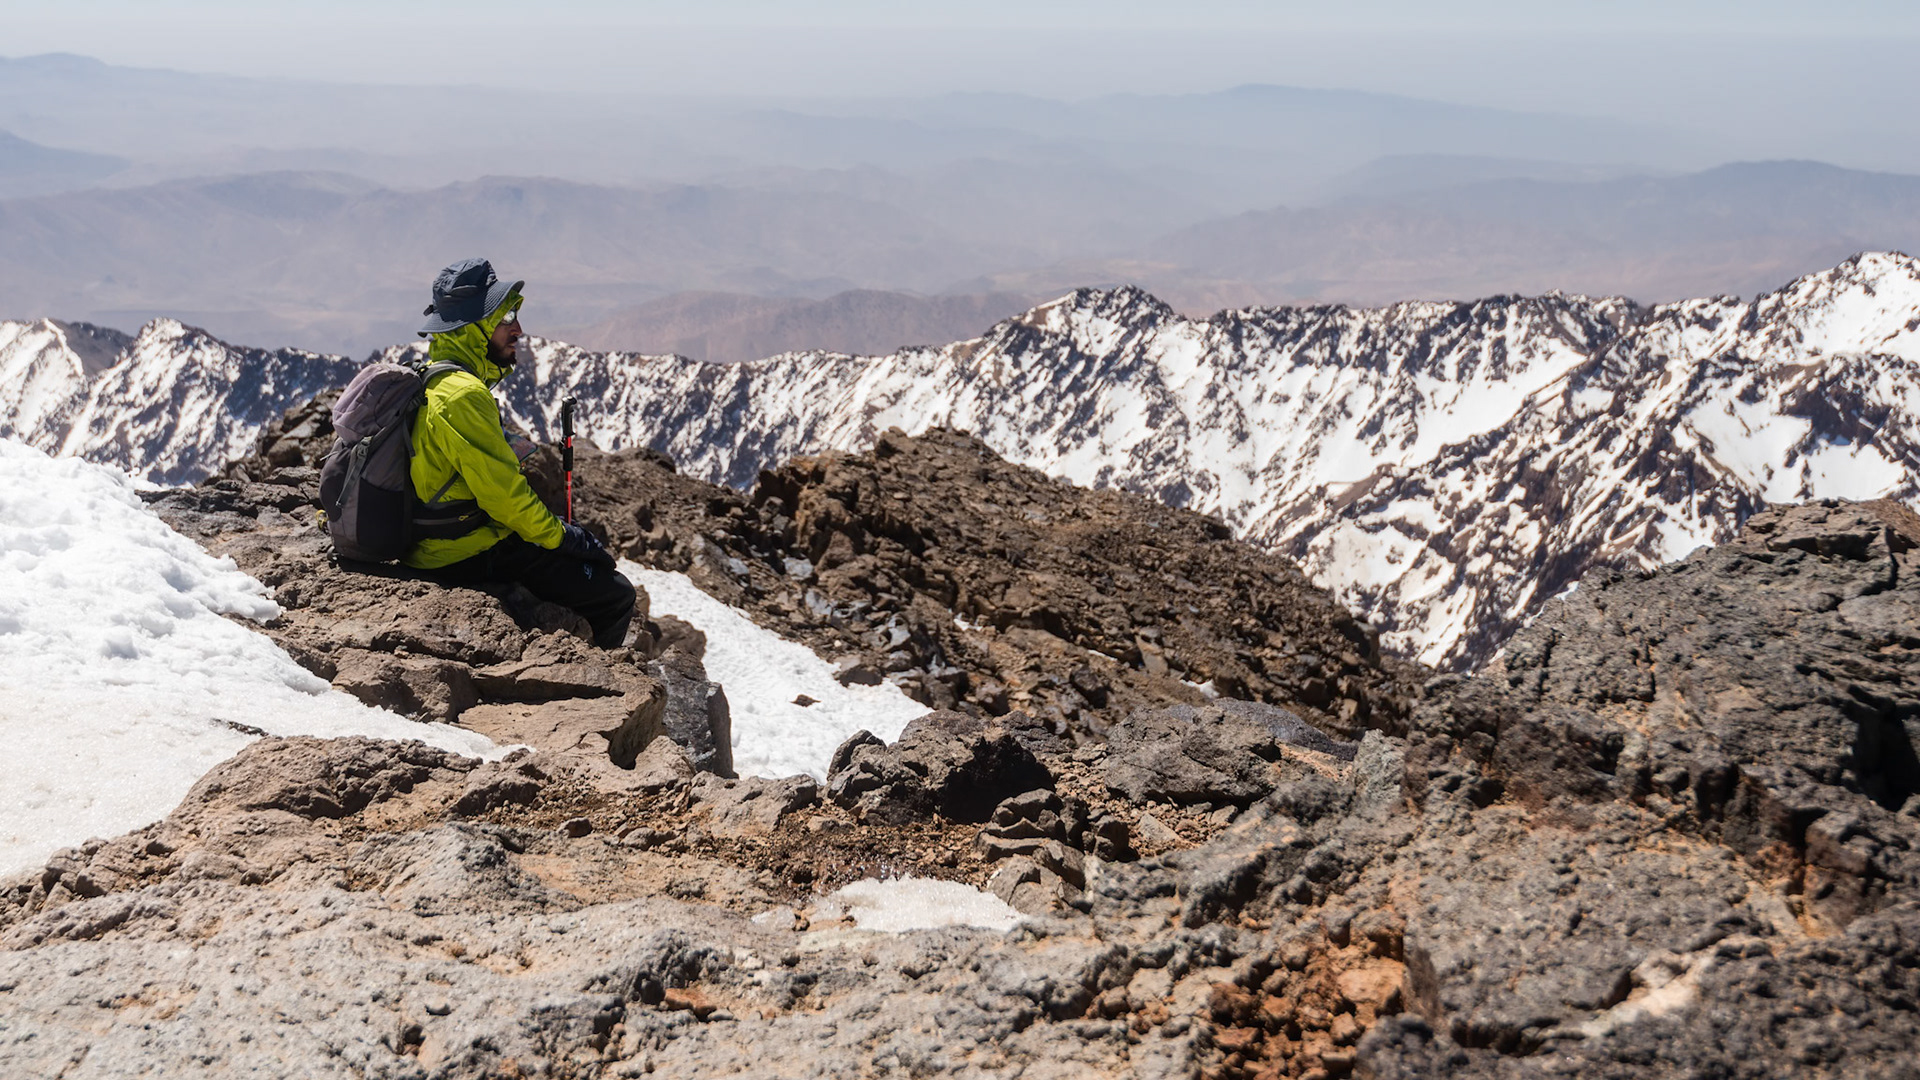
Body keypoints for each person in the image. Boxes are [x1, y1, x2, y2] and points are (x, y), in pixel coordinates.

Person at [404, 257, 636, 649]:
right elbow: (503, 499)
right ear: (473, 327)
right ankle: (601, 685)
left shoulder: (436, 376)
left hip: (438, 536)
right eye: (504, 314)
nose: (518, 328)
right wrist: (563, 538)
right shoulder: (462, 395)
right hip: (460, 550)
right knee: (615, 595)